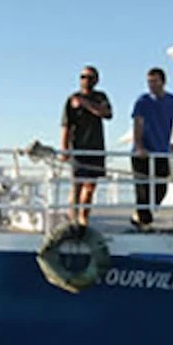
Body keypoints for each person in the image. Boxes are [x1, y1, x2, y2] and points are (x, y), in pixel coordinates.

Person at [130, 67, 173, 227]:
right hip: (142, 153)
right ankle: (144, 223)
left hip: (161, 151)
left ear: (163, 82)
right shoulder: (142, 101)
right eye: (149, 82)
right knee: (142, 190)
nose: (151, 85)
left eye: (154, 81)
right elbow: (138, 123)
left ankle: (140, 216)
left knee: (161, 188)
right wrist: (139, 146)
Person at [60, 65, 113, 225]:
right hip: (78, 147)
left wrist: (84, 103)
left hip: (96, 147)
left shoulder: (100, 97)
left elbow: (106, 113)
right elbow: (66, 126)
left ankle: (84, 217)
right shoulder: (71, 99)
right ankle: (73, 217)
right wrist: (64, 148)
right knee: (77, 184)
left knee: (90, 186)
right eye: (83, 77)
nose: (86, 80)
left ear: (96, 80)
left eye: (90, 77)